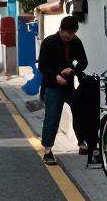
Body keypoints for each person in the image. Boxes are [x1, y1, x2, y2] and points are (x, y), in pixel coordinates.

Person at [37, 16, 89, 165]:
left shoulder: (76, 42)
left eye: (72, 33)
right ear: (61, 29)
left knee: (80, 112)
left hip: (69, 85)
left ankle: (82, 142)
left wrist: (73, 69)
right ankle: (48, 150)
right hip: (52, 86)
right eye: (67, 32)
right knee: (52, 117)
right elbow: (42, 65)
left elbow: (83, 62)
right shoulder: (49, 42)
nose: (69, 36)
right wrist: (55, 77)